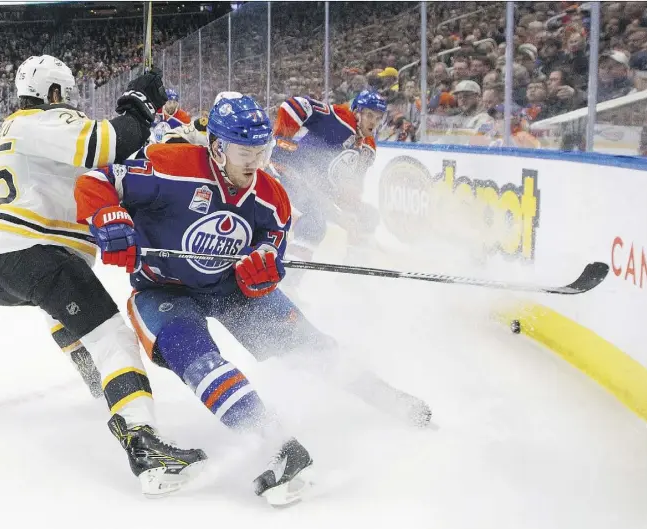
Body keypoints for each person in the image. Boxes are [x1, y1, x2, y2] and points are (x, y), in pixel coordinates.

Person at [74, 92, 431, 506]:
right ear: (218, 146)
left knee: (309, 345)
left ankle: (381, 393)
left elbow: (274, 245)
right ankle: (279, 445)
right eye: (245, 151)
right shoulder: (170, 166)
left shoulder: (270, 195)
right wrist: (107, 216)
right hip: (163, 289)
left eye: (261, 152)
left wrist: (265, 268)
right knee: (196, 357)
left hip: (232, 290)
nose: (254, 162)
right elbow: (96, 181)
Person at [0, 54, 207, 497]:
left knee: (63, 308)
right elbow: (111, 141)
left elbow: (110, 160)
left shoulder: (16, 127)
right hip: (27, 250)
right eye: (65, 95)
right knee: (113, 338)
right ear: (53, 93)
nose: (70, 104)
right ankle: (145, 447)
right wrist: (138, 101)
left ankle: (98, 382)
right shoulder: (43, 121)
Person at [268, 89, 387, 281]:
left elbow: (351, 186)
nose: (373, 122)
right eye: (369, 115)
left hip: (321, 192)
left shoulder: (368, 147)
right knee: (314, 224)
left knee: (367, 216)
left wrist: (350, 213)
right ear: (357, 112)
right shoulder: (341, 120)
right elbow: (296, 105)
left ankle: (353, 277)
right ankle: (288, 283)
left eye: (378, 117)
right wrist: (282, 141)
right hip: (292, 178)